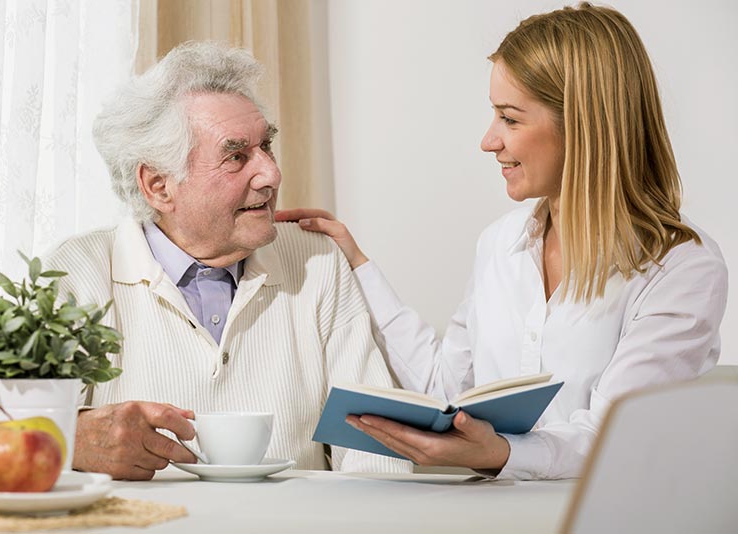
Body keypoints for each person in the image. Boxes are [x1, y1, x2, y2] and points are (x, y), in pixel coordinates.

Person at [276, 2, 728, 480]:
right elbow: (445, 390)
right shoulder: (500, 244)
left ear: (584, 126)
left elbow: (617, 435)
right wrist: (356, 261)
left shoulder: (681, 268)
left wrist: (499, 453)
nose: (489, 141)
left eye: (510, 119)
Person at [44, 41, 410, 480]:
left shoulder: (317, 260)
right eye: (236, 156)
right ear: (159, 185)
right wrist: (71, 440)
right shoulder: (77, 274)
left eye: (266, 147)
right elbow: (5, 441)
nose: (271, 174)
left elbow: (376, 452)